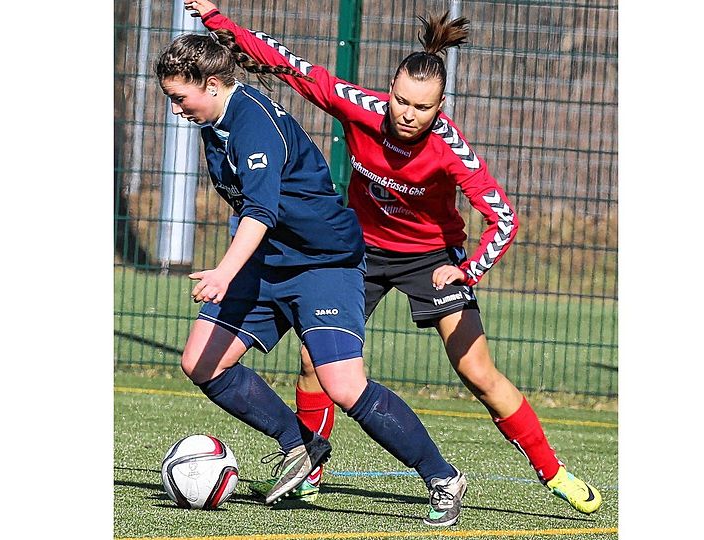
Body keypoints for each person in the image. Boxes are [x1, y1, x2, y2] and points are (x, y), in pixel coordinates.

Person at [184, 0, 603, 515]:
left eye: (421, 107)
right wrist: (218, 21)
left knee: (476, 371)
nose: (407, 114)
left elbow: (504, 219)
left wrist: (468, 269)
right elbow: (293, 67)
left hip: (430, 258)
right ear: (391, 92)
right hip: (359, 249)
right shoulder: (363, 107)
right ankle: (308, 471)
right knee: (317, 363)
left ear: (440, 106)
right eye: (400, 100)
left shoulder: (451, 149)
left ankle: (552, 471)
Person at [154, 30, 469, 527]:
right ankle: (301, 444)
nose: (175, 108)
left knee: (343, 385)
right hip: (269, 262)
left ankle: (442, 477)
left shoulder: (253, 124)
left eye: (179, 97)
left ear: (212, 84)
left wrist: (223, 272)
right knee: (201, 363)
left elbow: (259, 210)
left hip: (323, 263)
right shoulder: (213, 122)